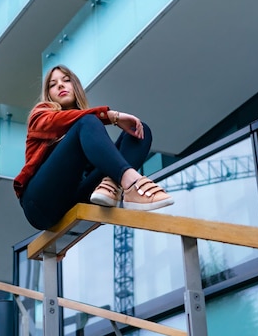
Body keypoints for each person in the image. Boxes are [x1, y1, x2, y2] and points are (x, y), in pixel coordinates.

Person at [14, 65, 174, 230]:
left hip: (77, 198)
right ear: (48, 94)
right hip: (41, 203)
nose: (60, 85)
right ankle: (132, 182)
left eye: (66, 80)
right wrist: (112, 117)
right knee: (87, 121)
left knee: (140, 131)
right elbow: (62, 121)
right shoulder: (40, 114)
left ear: (75, 87)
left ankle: (112, 186)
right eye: (53, 84)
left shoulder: (90, 130)